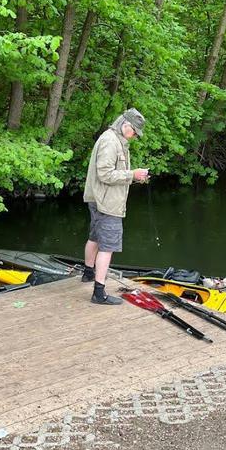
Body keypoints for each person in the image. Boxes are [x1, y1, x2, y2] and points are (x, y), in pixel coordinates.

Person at [81, 108, 149, 304]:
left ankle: (88, 273)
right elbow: (105, 174)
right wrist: (132, 174)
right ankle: (99, 293)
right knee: (107, 246)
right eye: (134, 132)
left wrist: (135, 177)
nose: (135, 136)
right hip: (107, 204)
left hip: (98, 199)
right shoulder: (111, 141)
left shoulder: (115, 139)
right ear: (125, 125)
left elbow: (112, 173)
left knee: (94, 237)